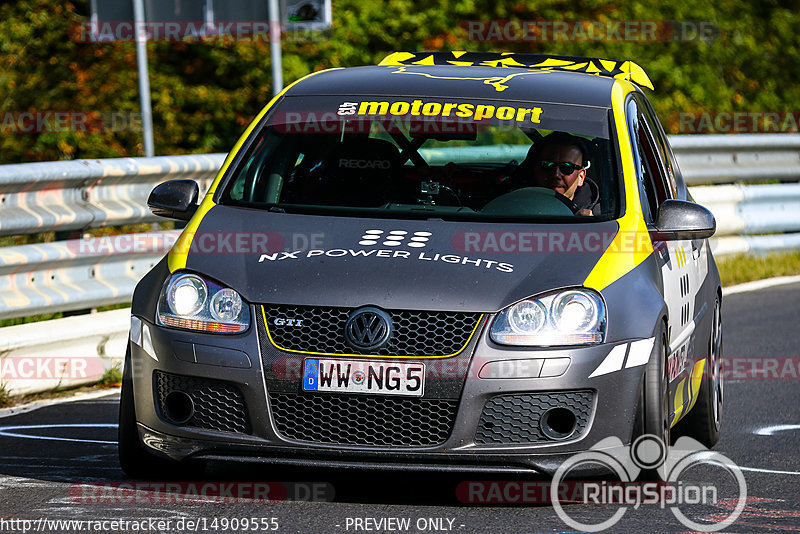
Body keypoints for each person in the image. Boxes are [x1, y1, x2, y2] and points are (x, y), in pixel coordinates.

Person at [529, 132, 600, 216]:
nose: (556, 174)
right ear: (535, 169)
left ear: (581, 177)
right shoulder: (514, 207)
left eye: (567, 167)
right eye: (547, 165)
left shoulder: (601, 217)